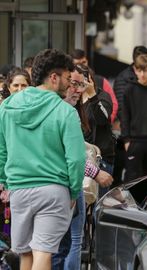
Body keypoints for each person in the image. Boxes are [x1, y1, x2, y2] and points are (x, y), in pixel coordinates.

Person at [0, 48, 85, 270]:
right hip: (53, 190)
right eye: (68, 79)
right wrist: (74, 191)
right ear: (54, 78)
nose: (70, 85)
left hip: (19, 190)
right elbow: (76, 160)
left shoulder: (7, 108)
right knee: (43, 253)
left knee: (26, 254)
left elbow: (2, 151)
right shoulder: (65, 112)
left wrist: (7, 184)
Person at [52, 65, 113, 270]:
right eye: (74, 84)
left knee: (61, 243)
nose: (78, 89)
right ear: (59, 81)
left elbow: (102, 120)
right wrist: (96, 173)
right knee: (65, 242)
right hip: (65, 184)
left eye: (81, 84)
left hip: (68, 184)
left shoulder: (89, 102)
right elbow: (73, 156)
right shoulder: (65, 112)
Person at [70, 49, 118, 123]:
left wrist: (108, 123)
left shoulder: (101, 81)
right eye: (77, 64)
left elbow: (113, 104)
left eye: (83, 62)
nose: (81, 66)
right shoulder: (70, 90)